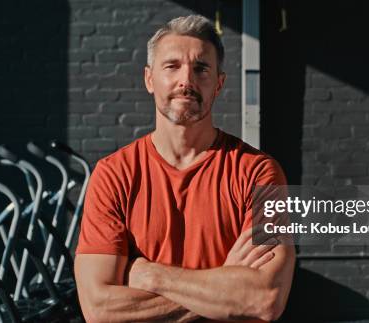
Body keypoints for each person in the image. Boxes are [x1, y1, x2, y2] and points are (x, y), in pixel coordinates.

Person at [74, 15, 295, 322]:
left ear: (219, 84)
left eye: (201, 68)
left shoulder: (258, 173)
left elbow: (264, 299)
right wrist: (225, 282)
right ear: (149, 79)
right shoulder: (114, 175)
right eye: (172, 66)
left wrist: (151, 275)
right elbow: (98, 309)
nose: (186, 81)